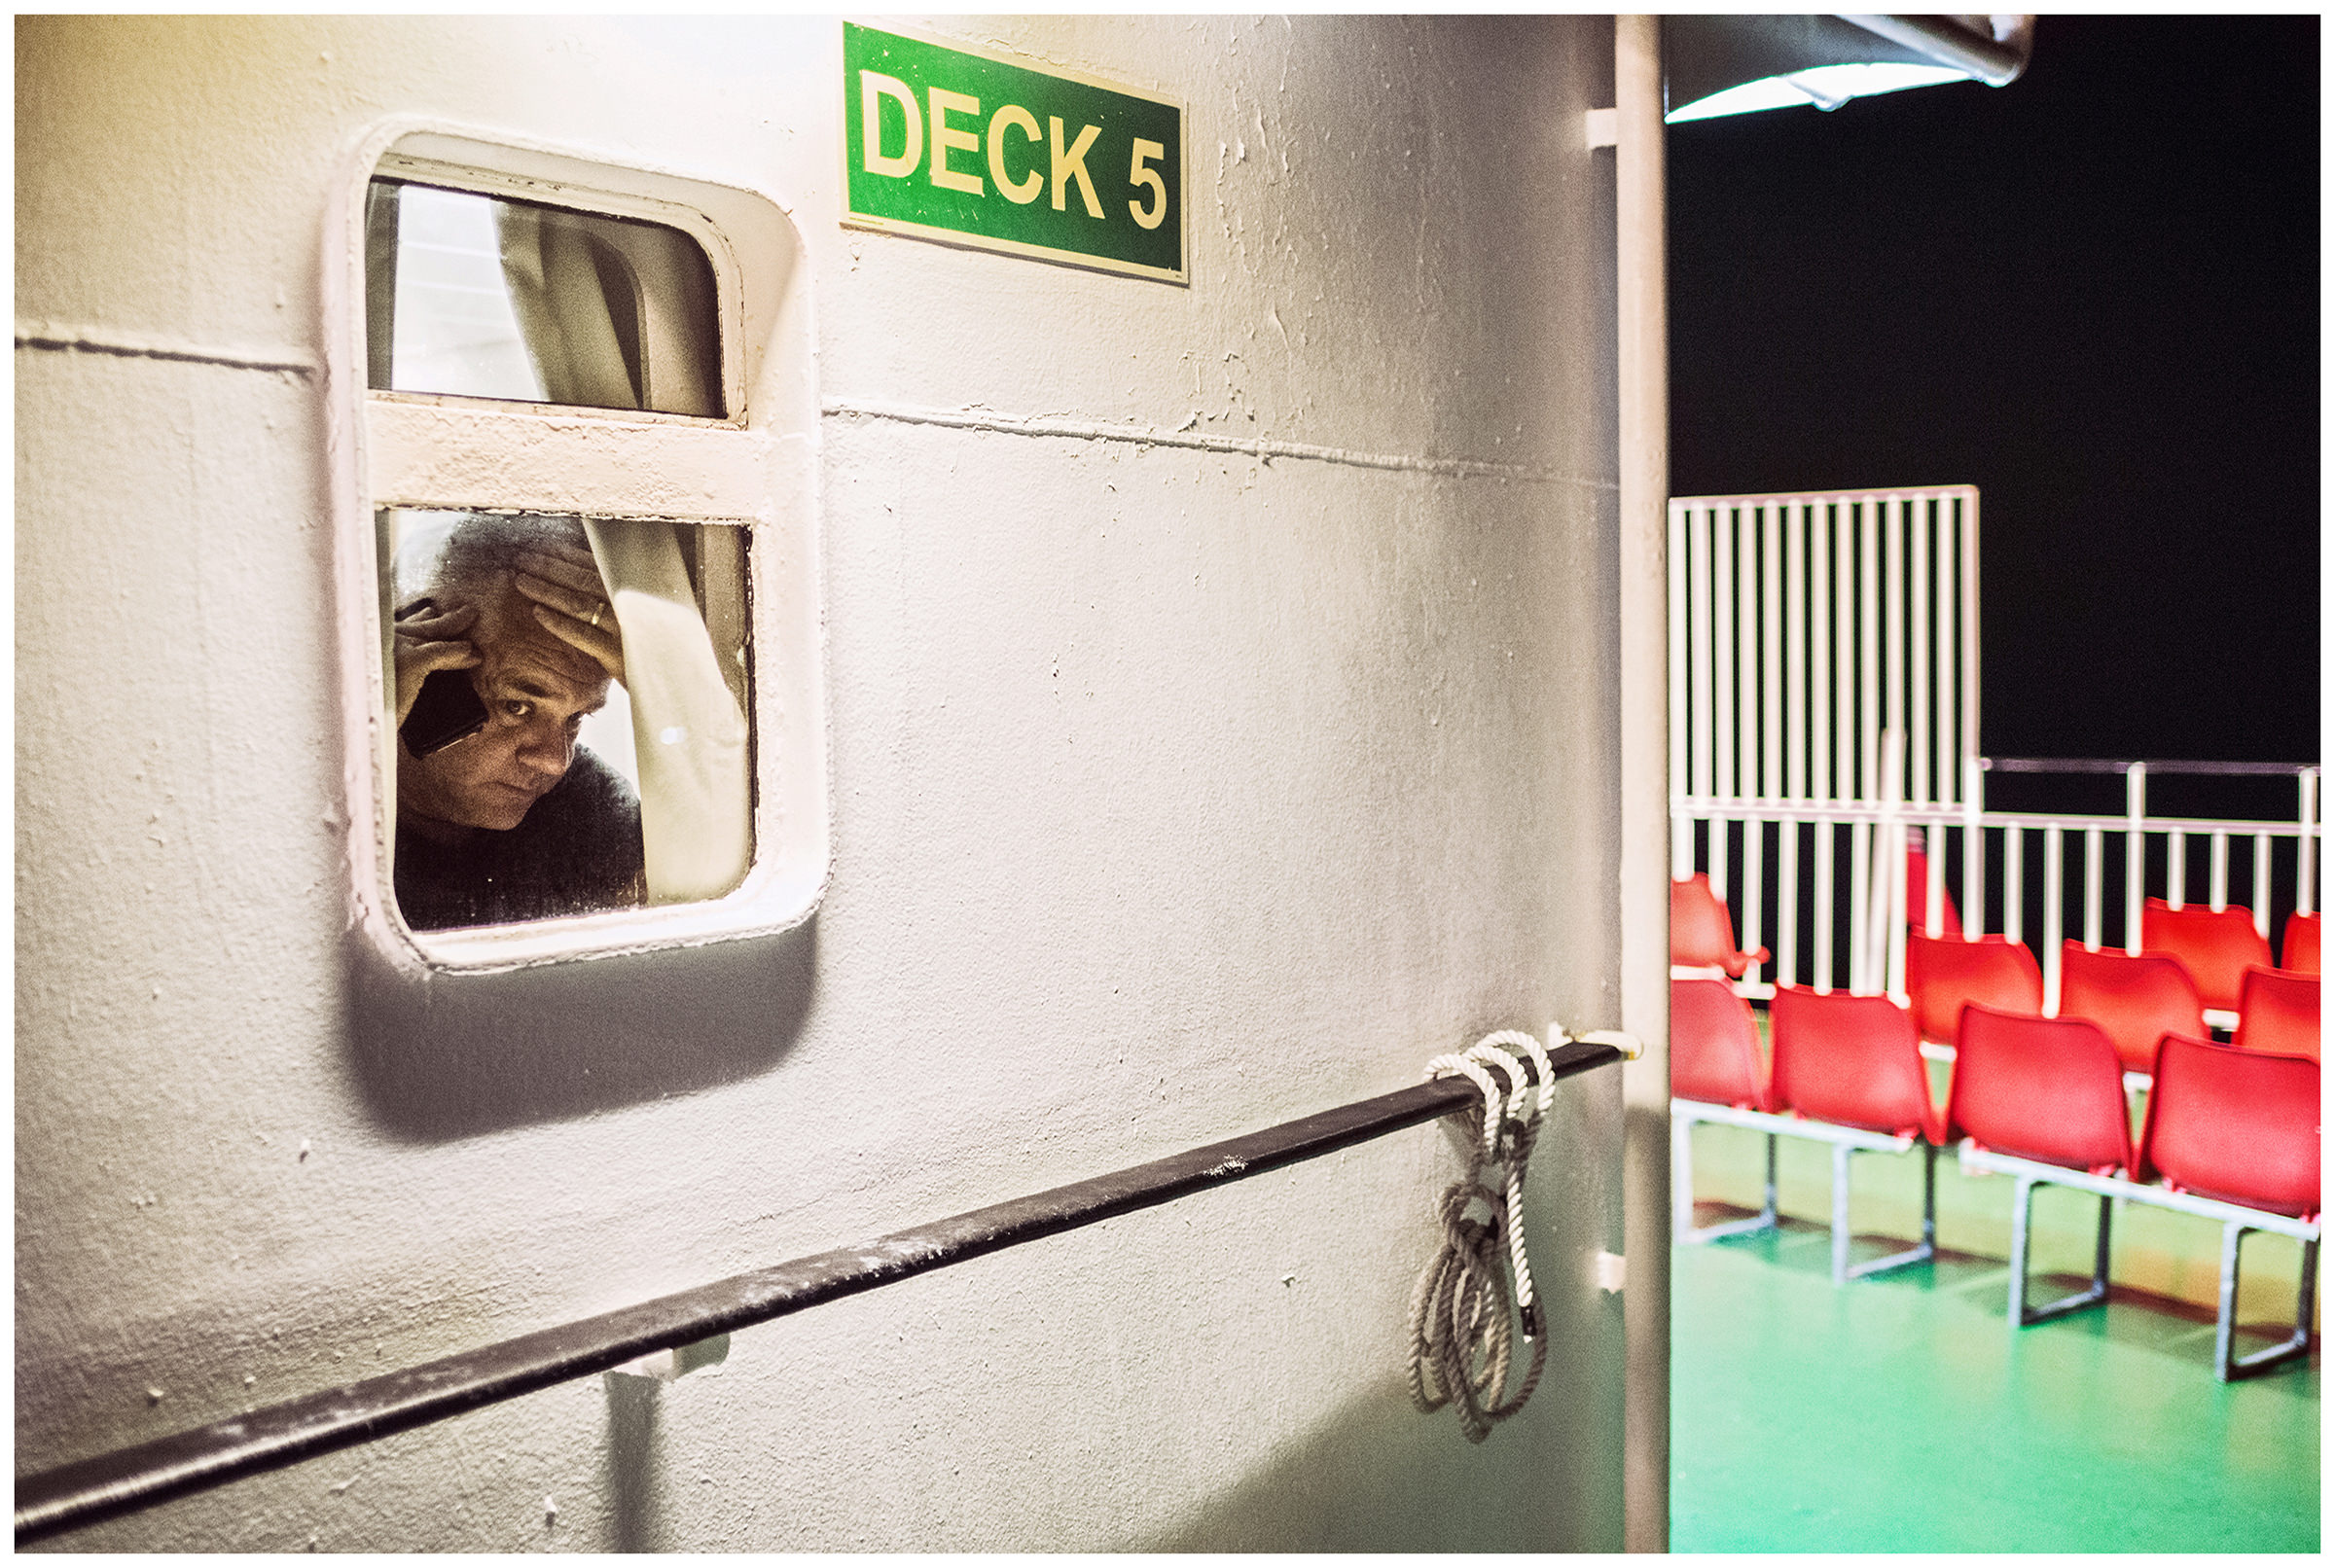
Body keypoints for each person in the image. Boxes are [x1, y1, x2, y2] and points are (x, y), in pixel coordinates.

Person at [388, 514, 645, 930]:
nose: (555, 763)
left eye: (576, 717)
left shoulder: (585, 809)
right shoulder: (311, 807)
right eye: (518, 707)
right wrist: (360, 734)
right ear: (426, 675)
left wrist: (668, 687)